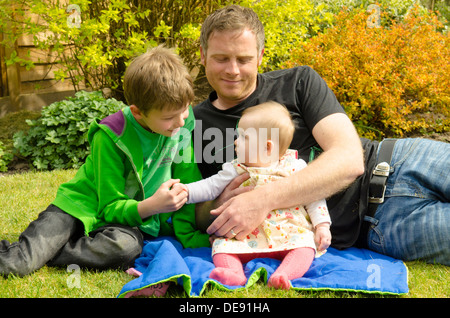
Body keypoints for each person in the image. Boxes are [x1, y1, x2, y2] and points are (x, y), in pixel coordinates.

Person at [193, 5, 449, 265]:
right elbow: (192, 211)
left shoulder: (298, 82)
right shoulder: (192, 126)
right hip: (381, 224)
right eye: (221, 58)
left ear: (259, 56)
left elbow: (349, 159)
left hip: (401, 159)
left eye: (243, 59)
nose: (233, 70)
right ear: (203, 55)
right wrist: (219, 202)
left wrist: (263, 198)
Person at [0, 45, 208, 277]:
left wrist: (188, 235)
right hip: (78, 207)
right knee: (17, 264)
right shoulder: (110, 136)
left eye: (185, 111)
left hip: (126, 222)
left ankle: (49, 250)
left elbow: (187, 184)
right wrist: (153, 206)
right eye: (169, 117)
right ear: (137, 112)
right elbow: (109, 207)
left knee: (125, 248)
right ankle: (35, 251)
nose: (180, 122)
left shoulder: (180, 127)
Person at [185, 101, 331, 289]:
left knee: (305, 247)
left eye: (244, 137)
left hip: (288, 232)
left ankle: (283, 275)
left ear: (267, 147)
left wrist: (322, 226)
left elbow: (313, 197)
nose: (236, 141)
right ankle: (234, 273)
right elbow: (211, 186)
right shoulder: (237, 168)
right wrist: (187, 191)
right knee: (221, 247)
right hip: (244, 236)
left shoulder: (294, 167)